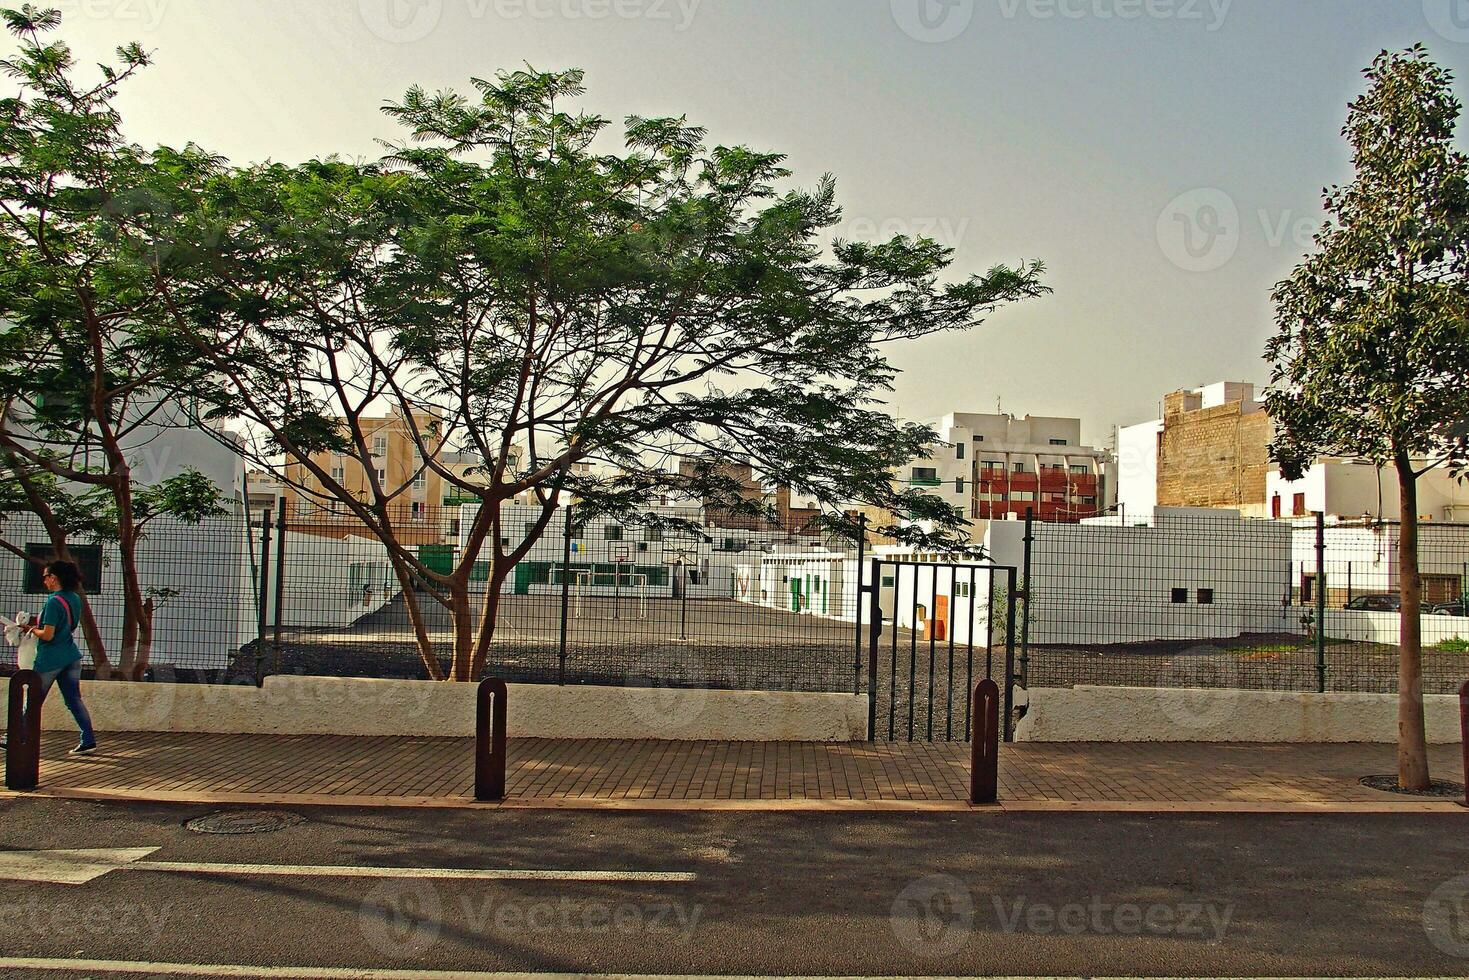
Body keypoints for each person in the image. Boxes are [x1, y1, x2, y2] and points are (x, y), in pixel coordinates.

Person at [1, 560, 96, 755]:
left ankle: (15, 736)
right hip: (70, 655)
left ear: (54, 578)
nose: (44, 581)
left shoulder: (53, 601)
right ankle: (88, 739)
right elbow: (66, 626)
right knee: (74, 700)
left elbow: (48, 635)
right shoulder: (74, 598)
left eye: (45, 576)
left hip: (50, 659)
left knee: (33, 699)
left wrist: (31, 629)